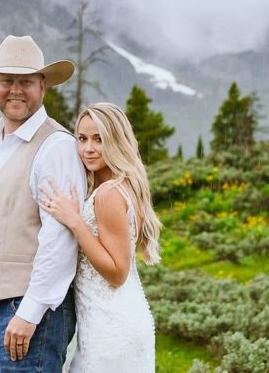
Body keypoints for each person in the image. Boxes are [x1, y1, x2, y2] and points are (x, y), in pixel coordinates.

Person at [0, 35, 87, 372]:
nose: (15, 89)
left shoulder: (55, 146)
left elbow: (59, 237)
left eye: (26, 81)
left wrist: (30, 311)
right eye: (7, 81)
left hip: (31, 315)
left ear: (43, 86)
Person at [38, 102, 161, 372]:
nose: (88, 148)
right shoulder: (119, 186)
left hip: (111, 327)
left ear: (116, 140)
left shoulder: (109, 194)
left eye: (99, 139)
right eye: (82, 139)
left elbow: (118, 272)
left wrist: (74, 221)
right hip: (115, 320)